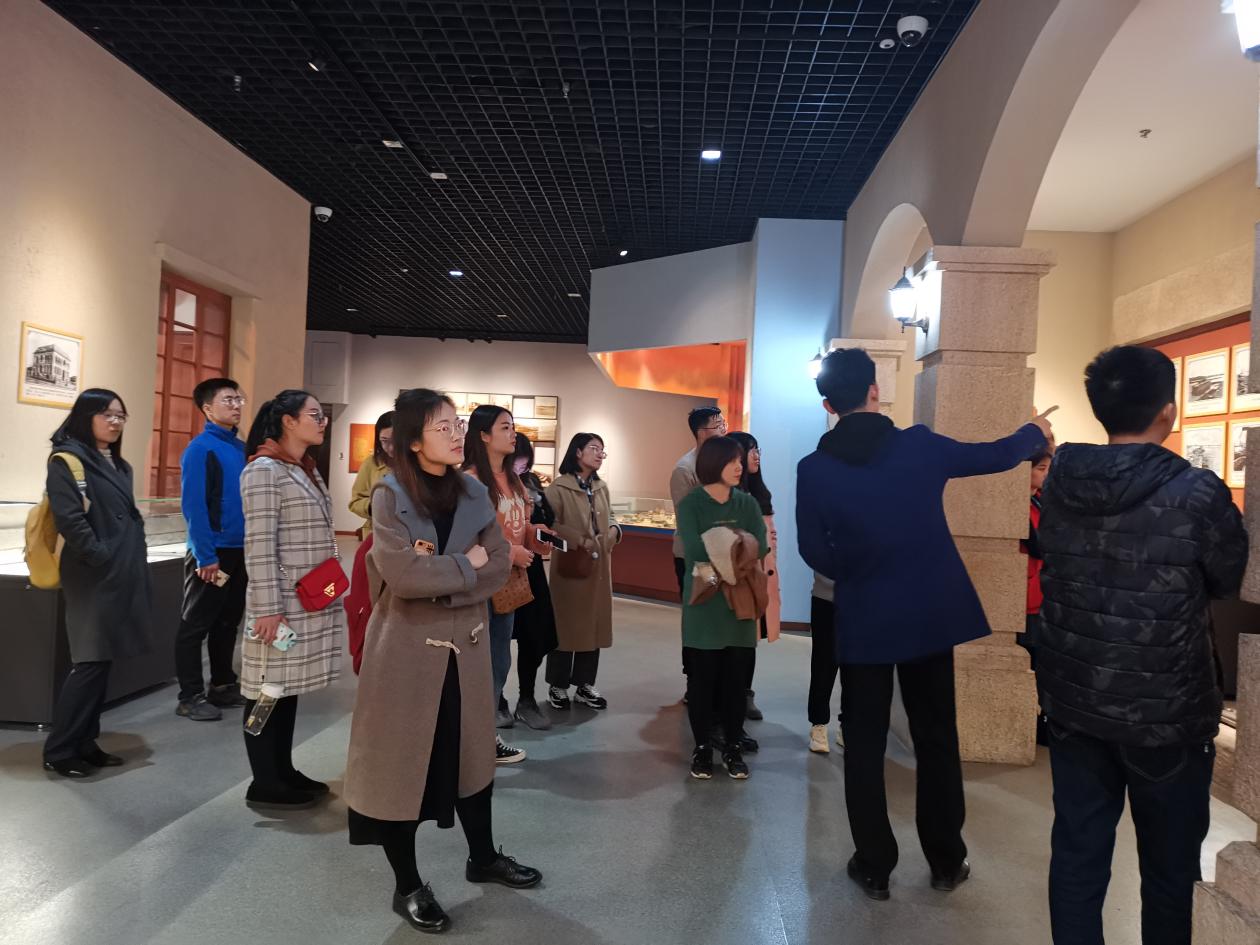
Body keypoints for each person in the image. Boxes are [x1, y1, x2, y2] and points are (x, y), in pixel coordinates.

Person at [795, 347, 1054, 901]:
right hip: (927, 611)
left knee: (863, 739)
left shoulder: (813, 469)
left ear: (828, 405)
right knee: (935, 733)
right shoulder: (917, 445)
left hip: (864, 614)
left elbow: (813, 550)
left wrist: (860, 571)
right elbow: (993, 455)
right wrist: (1034, 432)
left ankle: (874, 865)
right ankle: (946, 859)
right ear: (875, 391)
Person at [1037, 346, 1248, 945]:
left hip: (1075, 699)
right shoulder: (1197, 492)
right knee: (1169, 869)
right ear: (1168, 411)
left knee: (1077, 854)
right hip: (1168, 711)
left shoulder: (1062, 480)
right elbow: (1227, 577)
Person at [345, 388, 540, 936]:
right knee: (401, 768)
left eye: (458, 424)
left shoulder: (474, 491)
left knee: (472, 758)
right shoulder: (389, 495)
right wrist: (464, 567)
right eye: (443, 427)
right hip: (406, 651)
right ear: (413, 440)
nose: (457, 434)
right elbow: (402, 576)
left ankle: (483, 856)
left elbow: (496, 566)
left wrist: (447, 573)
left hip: (467, 648)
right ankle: (407, 885)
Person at [240, 390, 344, 809]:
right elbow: (259, 546)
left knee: (285, 687)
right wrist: (268, 609)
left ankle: (282, 770)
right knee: (266, 688)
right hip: (278, 605)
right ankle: (264, 780)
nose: (322, 422)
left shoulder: (304, 469)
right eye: (314, 415)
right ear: (288, 421)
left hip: (305, 599)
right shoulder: (263, 470)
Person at [41, 389, 152, 778]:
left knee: (101, 661)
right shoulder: (67, 460)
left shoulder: (119, 465)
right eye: (106, 414)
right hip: (92, 573)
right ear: (85, 416)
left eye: (121, 415)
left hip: (119, 569)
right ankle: (60, 749)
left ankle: (85, 742)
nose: (115, 422)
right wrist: (101, 554)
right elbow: (70, 519)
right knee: (89, 661)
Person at [676, 436, 768, 780]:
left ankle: (732, 746)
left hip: (739, 604)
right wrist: (737, 543)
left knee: (735, 683)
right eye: (732, 461)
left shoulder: (747, 503)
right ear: (713, 464)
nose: (739, 467)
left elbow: (760, 546)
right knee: (702, 682)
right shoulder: (692, 504)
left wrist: (725, 546)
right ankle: (702, 747)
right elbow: (695, 550)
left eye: (740, 461)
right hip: (704, 605)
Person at [462, 404, 543, 764]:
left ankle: (485, 736)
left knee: (498, 662)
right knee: (477, 663)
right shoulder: (471, 481)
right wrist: (510, 552)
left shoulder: (513, 480)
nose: (513, 434)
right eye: (505, 427)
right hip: (480, 585)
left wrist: (536, 536)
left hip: (508, 584)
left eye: (512, 426)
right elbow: (467, 538)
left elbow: (518, 525)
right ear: (483, 435)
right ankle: (472, 741)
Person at [174, 378, 248, 722]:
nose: (236, 406)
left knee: (228, 620)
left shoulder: (241, 448)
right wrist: (206, 556)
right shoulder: (200, 449)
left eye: (238, 399)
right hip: (212, 552)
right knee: (195, 624)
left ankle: (222, 684)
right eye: (227, 400)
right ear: (207, 408)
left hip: (239, 549)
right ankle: (189, 695)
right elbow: (194, 507)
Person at [546, 433, 622, 711]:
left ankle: (585, 684)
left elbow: (610, 516)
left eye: (602, 450)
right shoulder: (558, 488)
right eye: (594, 448)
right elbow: (550, 524)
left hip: (598, 569)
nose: (600, 454)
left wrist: (613, 531)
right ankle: (557, 685)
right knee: (566, 627)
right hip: (571, 568)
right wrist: (578, 539)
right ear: (577, 452)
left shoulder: (601, 487)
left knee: (594, 626)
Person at [670, 406, 727, 686]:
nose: (724, 429)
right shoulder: (685, 469)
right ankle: (694, 680)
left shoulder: (727, 462)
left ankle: (718, 680)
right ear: (702, 432)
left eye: (724, 423)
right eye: (718, 425)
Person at [728, 430, 780, 724]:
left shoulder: (760, 493)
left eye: (758, 450)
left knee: (750, 640)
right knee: (735, 640)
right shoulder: (730, 494)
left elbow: (770, 537)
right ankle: (731, 697)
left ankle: (745, 693)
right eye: (752, 450)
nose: (757, 456)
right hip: (738, 578)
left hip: (760, 577)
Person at [509, 435, 559, 730]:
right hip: (502, 570)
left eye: (525, 460)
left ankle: (526, 699)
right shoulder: (487, 484)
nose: (523, 465)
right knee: (497, 639)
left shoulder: (531, 484)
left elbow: (547, 517)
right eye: (519, 459)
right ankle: (495, 701)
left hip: (531, 568)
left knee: (535, 634)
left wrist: (541, 532)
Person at [807, 573, 842, 755]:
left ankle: (848, 723)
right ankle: (818, 724)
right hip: (826, 597)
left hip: (862, 598)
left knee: (856, 668)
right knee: (823, 664)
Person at [349, 410, 394, 535]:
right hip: (377, 533)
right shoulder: (371, 463)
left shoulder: (416, 463)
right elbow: (355, 502)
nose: (390, 447)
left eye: (395, 440)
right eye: (384, 441)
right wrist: (372, 507)